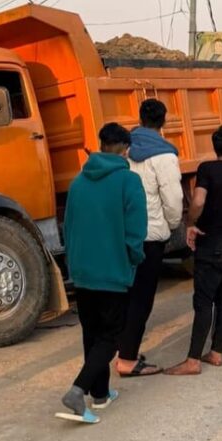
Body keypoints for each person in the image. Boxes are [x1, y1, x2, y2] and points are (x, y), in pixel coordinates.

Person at [57, 123, 147, 424]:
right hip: (113, 269)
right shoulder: (129, 181)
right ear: (126, 148)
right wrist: (134, 259)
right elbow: (136, 231)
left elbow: (67, 228)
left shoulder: (78, 182)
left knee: (91, 333)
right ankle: (78, 390)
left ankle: (100, 394)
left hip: (83, 270)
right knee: (110, 337)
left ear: (102, 144)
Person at [166, 126, 222, 375]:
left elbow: (199, 201)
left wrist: (191, 224)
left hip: (211, 243)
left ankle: (193, 360)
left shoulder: (207, 169)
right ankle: (215, 353)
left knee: (204, 302)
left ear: (215, 147)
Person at [117, 99, 183, 378]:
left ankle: (123, 350)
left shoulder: (123, 149)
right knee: (142, 299)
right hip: (151, 236)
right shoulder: (165, 156)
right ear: (163, 121)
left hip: (123, 234)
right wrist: (172, 225)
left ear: (140, 118)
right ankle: (128, 360)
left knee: (125, 296)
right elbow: (173, 198)